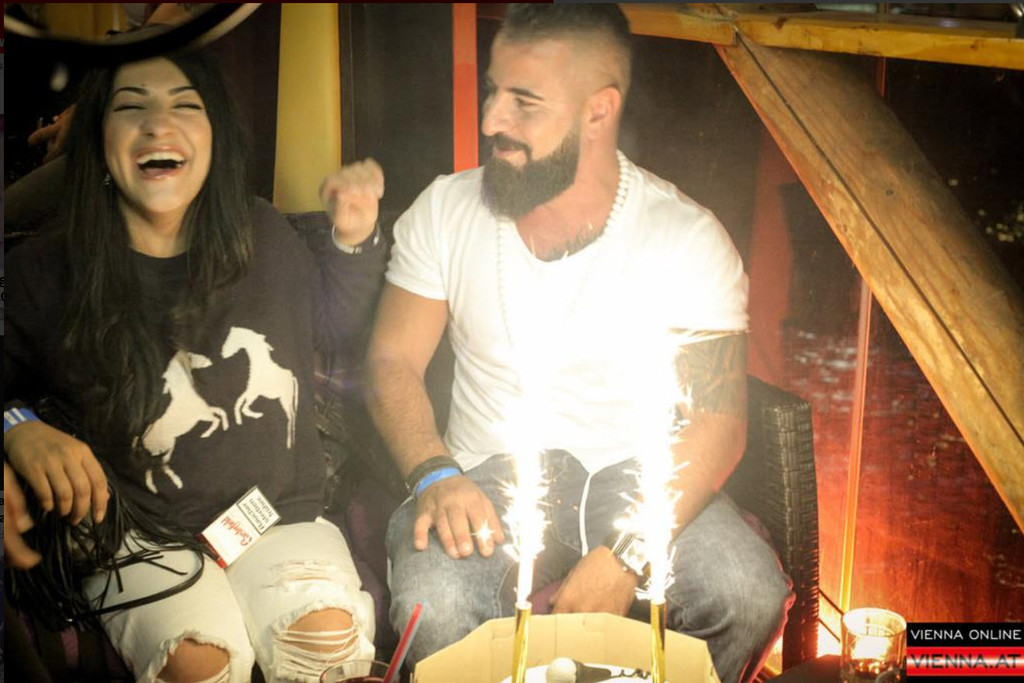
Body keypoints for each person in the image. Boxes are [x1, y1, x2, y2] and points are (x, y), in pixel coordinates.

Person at [365, 5, 793, 682]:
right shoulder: (445, 210)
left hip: (642, 478)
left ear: (598, 111)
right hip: (485, 474)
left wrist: (629, 554)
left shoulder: (685, 236)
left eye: (524, 102)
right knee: (435, 606)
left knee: (745, 594)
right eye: (493, 92)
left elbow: (718, 423)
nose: (491, 120)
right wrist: (434, 472)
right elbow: (392, 359)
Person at [4, 51, 386, 683]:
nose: (159, 125)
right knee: (199, 662)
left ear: (215, 137)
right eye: (132, 107)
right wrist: (19, 428)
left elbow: (325, 325)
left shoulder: (263, 234)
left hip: (274, 511)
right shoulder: (44, 269)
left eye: (185, 105)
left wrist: (354, 240)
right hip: (136, 535)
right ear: (98, 135)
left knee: (327, 646)